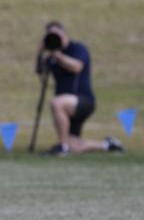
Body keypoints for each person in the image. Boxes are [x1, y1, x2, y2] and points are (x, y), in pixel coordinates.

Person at [35, 21, 123, 156]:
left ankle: (62, 148)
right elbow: (40, 72)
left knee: (56, 102)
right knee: (73, 145)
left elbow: (76, 67)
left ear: (63, 34)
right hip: (66, 105)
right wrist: (40, 53)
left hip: (83, 100)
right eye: (50, 35)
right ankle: (108, 145)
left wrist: (58, 55)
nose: (54, 38)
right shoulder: (51, 57)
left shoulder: (77, 48)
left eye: (56, 34)